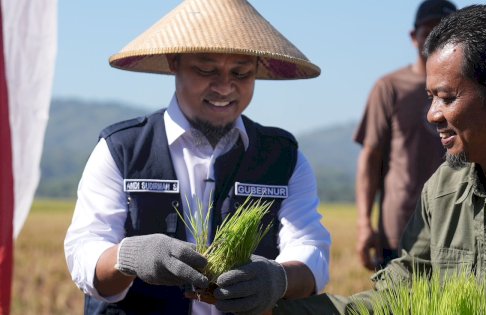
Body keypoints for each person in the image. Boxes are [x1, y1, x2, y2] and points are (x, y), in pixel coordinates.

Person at [272, 4, 486, 314]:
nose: (432, 115)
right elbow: (400, 296)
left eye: (446, 98)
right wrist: (275, 309)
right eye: (431, 98)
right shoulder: (443, 190)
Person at [63, 0, 331, 314]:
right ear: (173, 61)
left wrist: (279, 278)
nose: (224, 87)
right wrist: (129, 257)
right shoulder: (122, 149)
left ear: (258, 70)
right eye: (206, 70)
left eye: (241, 73)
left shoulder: (283, 157)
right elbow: (85, 253)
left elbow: (311, 249)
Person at [354, 0, 454, 270]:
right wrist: (364, 223)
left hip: (455, 231)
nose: (436, 42)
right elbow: (371, 158)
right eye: (428, 33)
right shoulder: (390, 88)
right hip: (399, 230)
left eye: (446, 34)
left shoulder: (468, 92)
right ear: (413, 37)